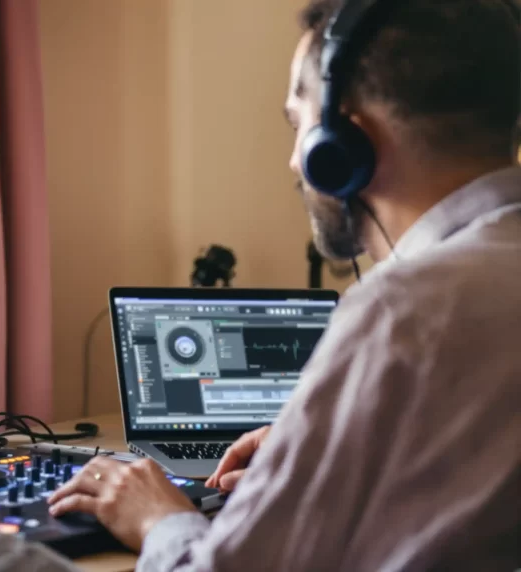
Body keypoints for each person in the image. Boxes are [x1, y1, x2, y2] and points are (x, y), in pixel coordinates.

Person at [48, 0, 521, 569]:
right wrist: (331, 444)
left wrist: (158, 518)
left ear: (344, 144)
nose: (294, 161)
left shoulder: (401, 313)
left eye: (299, 125)